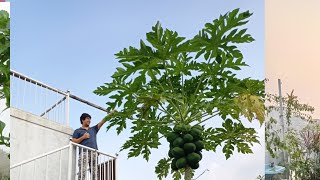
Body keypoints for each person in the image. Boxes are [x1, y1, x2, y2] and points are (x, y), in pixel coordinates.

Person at [72, 111, 115, 180]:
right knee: (82, 172)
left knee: (95, 173)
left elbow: (102, 122)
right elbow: (73, 141)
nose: (89, 120)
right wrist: (83, 137)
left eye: (90, 119)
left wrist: (110, 115)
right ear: (83, 120)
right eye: (87, 119)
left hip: (94, 153)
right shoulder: (77, 131)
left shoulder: (93, 129)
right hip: (84, 153)